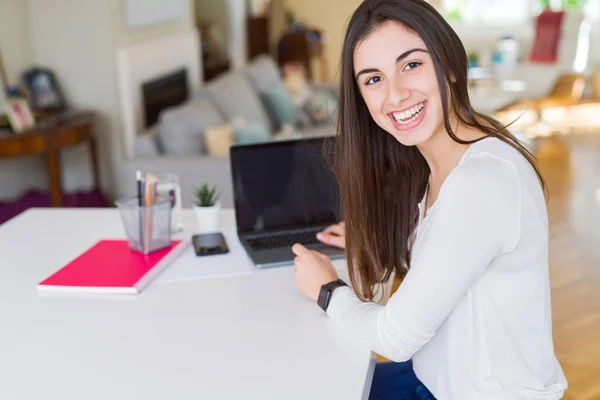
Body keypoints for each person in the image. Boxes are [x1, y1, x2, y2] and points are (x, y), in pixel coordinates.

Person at [291, 0, 568, 399]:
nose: (396, 95)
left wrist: (327, 289)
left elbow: (395, 338)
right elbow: (448, 252)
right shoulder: (440, 158)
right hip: (431, 378)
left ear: (449, 63)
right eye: (373, 79)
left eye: (411, 65)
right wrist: (370, 238)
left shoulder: (483, 181)